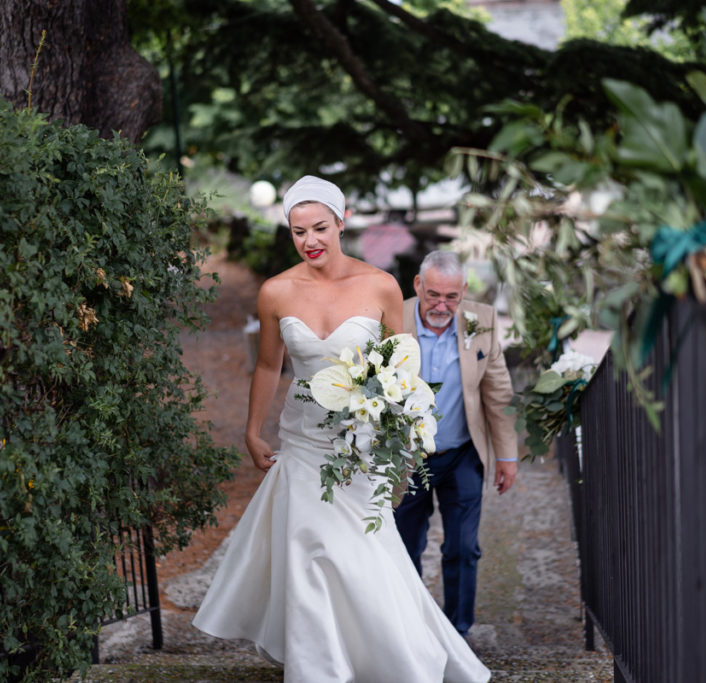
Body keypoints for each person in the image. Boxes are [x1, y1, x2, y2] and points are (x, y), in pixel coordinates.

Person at [193, 176, 490, 682]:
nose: (310, 240)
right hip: (304, 441)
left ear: (342, 221)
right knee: (309, 548)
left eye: (320, 228)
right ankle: (318, 667)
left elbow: (403, 363)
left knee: (365, 551)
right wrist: (251, 429)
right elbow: (269, 366)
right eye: (298, 231)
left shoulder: (380, 285)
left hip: (363, 445)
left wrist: (402, 421)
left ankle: (393, 655)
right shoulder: (276, 291)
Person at [395, 250, 518, 638]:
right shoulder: (391, 318)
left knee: (463, 548)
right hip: (405, 457)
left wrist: (507, 454)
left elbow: (497, 391)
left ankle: (458, 633)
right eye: (433, 295)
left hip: (462, 453)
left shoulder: (481, 321)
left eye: (452, 297)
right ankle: (408, 631)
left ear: (464, 291)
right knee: (403, 548)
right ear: (418, 285)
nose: (442, 305)